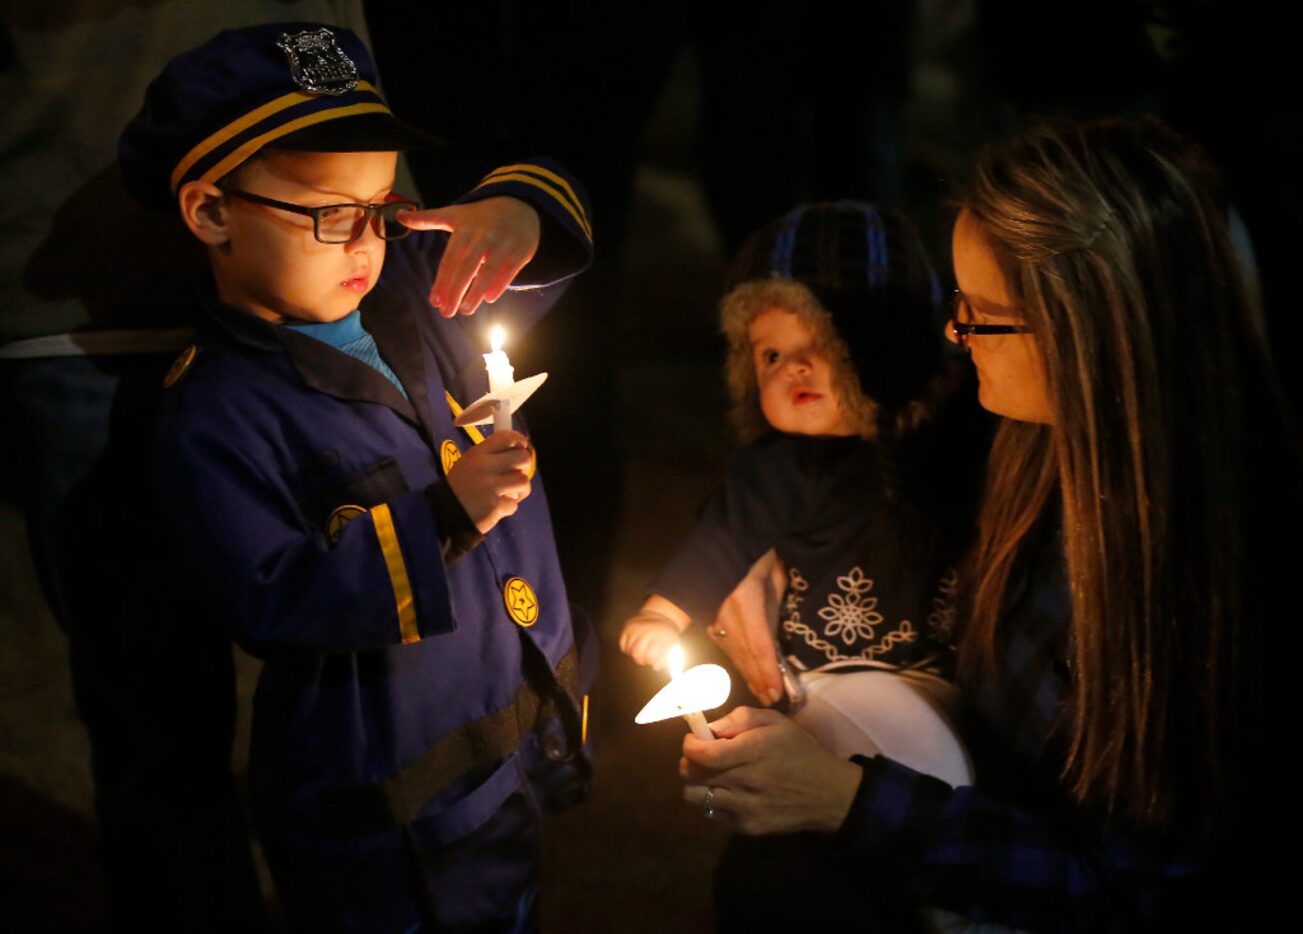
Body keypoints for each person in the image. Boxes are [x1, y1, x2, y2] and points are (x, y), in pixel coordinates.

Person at [679, 117, 1300, 930]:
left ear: (1085, 334)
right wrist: (754, 550)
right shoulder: (1023, 440)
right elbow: (854, 467)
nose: (951, 331)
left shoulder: (1207, 586)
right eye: (954, 297)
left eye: (980, 313)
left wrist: (852, 802)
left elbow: (1134, 890)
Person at [118, 23, 595, 931]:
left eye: (381, 207)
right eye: (331, 214)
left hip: (506, 729)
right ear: (212, 211)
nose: (366, 243)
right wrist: (444, 518)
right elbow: (271, 595)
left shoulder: (420, 284)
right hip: (386, 805)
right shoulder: (216, 414)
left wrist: (519, 212)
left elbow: (553, 206)